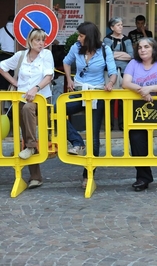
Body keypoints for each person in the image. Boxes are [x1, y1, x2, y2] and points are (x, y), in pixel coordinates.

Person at [61, 21, 117, 189]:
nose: (78, 38)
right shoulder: (76, 47)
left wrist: (111, 83)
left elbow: (113, 72)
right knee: (55, 112)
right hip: (79, 92)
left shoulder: (105, 50)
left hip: (96, 94)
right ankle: (77, 142)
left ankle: (89, 175)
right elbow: (66, 61)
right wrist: (69, 78)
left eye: (81, 35)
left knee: (93, 135)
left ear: (89, 37)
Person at [0, 28, 54, 189]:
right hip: (21, 99)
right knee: (26, 132)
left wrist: (35, 88)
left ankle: (31, 146)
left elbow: (49, 76)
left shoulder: (47, 55)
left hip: (41, 99)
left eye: (43, 40)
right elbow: (2, 67)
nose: (41, 43)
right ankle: (35, 176)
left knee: (28, 114)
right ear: (30, 41)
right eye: (38, 40)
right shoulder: (20, 56)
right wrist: (15, 83)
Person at [121, 38, 157, 191]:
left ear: (153, 49)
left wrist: (148, 90)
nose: (142, 50)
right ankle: (143, 177)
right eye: (140, 48)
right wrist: (141, 90)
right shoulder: (133, 63)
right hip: (137, 108)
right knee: (137, 140)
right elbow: (126, 83)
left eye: (146, 47)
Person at [104, 17, 133, 131]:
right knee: (109, 97)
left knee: (123, 98)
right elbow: (107, 55)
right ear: (112, 27)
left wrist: (114, 54)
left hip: (125, 71)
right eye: (118, 25)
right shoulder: (107, 39)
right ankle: (109, 125)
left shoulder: (127, 40)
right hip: (110, 71)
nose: (121, 27)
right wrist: (122, 54)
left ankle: (123, 124)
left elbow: (131, 55)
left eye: (121, 25)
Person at [0, 15, 15, 91]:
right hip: (13, 56)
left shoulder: (1, 30)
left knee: (2, 79)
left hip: (3, 56)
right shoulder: (17, 30)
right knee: (12, 77)